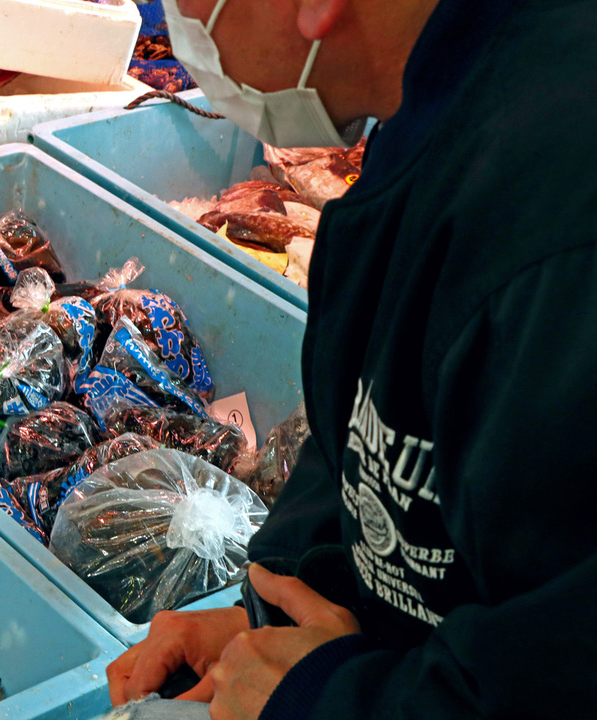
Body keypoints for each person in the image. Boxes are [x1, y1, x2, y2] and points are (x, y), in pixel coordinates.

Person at [107, 0, 597, 717]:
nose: (184, 38)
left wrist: (320, 696)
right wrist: (279, 615)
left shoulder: (556, 232)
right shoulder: (438, 104)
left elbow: (557, 673)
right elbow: (386, 437)